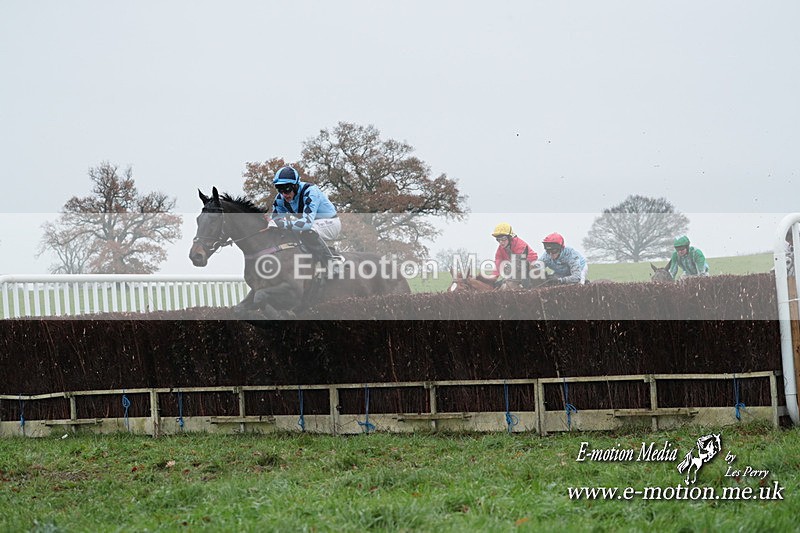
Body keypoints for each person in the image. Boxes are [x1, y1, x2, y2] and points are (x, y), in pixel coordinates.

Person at [271, 166, 344, 266]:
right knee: (287, 234)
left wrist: (281, 224)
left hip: (331, 223)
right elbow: (275, 220)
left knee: (307, 231)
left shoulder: (310, 191)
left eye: (287, 189)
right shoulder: (280, 199)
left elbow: (307, 223)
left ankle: (332, 262)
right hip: (312, 224)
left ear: (295, 186)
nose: (284, 194)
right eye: (280, 189)